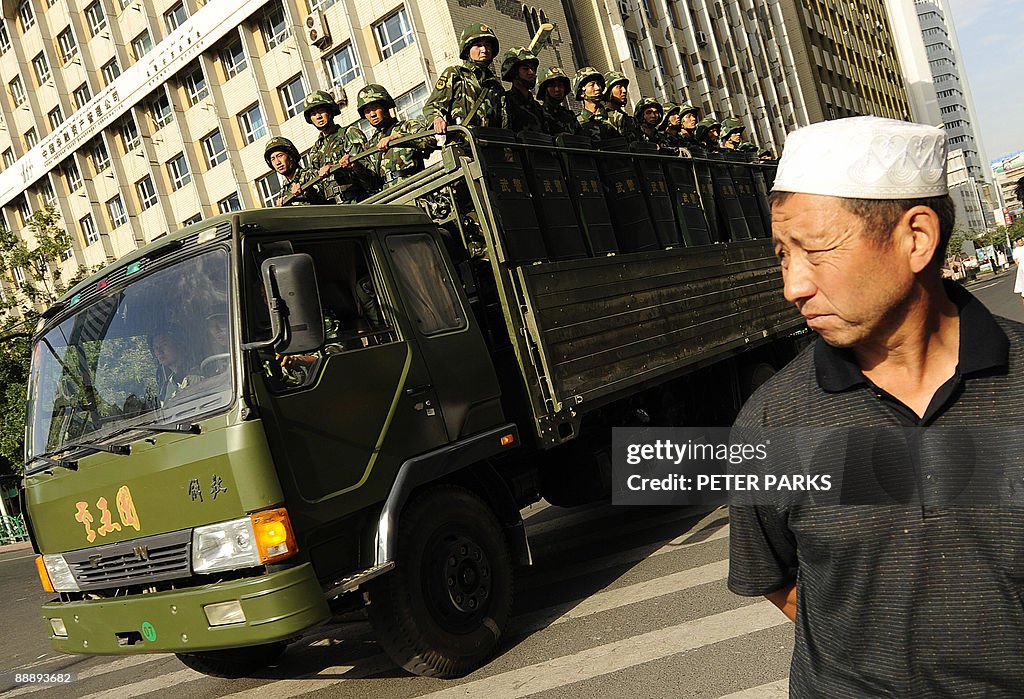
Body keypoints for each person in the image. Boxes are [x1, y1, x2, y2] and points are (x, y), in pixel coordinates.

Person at [728, 116, 1024, 697]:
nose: (794, 285)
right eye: (783, 256)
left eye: (815, 251)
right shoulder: (770, 424)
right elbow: (777, 578)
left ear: (916, 237)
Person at [422, 23, 505, 134]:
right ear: (467, 50)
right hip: (462, 145)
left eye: (487, 45)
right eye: (478, 45)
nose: (484, 50)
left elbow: (505, 122)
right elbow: (432, 106)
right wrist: (437, 119)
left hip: (491, 146)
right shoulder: (456, 74)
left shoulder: (495, 86)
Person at [303, 89, 380, 203]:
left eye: (321, 111)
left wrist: (348, 166)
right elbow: (319, 187)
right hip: (334, 208)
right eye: (313, 114)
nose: (318, 116)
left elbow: (370, 173)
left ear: (330, 111)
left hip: (357, 201)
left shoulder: (349, 133)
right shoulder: (315, 150)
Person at [355, 84, 434, 189]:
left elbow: (430, 141)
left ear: (385, 106)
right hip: (389, 196)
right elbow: (371, 181)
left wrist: (398, 138)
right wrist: (356, 167)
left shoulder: (407, 126)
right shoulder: (370, 145)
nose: (372, 114)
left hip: (414, 187)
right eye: (367, 111)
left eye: (375, 108)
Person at [263, 136, 326, 207]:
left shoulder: (310, 174)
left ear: (290, 156)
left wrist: (306, 190)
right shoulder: (283, 191)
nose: (277, 162)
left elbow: (323, 197)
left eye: (280, 156)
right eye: (273, 159)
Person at [500, 47, 546, 134]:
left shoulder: (537, 108)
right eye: (525, 69)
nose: (531, 72)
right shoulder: (504, 102)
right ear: (513, 72)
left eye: (533, 69)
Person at [150, 330, 200, 405]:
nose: (159, 351)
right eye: (155, 348)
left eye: (164, 345)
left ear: (178, 345)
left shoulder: (199, 372)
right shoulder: (169, 383)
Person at [573, 67, 618, 143]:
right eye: (592, 85)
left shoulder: (616, 117)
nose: (597, 88)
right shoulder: (576, 123)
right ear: (581, 92)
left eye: (598, 84)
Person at [536, 66, 581, 137]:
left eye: (560, 86)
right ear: (544, 90)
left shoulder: (569, 116)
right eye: (552, 86)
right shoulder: (538, 114)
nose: (557, 89)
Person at [603, 71, 638, 145]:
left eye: (624, 87)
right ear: (609, 90)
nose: (624, 91)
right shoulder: (604, 118)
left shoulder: (630, 120)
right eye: (619, 87)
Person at [1013, 238, 1024, 304]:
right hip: (1022, 268)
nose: (1021, 242)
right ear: (1017, 243)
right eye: (1019, 241)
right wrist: (1019, 266)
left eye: (1022, 241)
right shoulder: (1016, 250)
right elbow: (1016, 259)